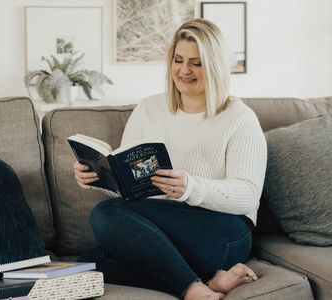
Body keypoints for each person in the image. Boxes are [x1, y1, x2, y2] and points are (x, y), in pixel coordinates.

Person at [74, 18, 267, 300]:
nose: (184, 71)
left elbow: (248, 196)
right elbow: (131, 188)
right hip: (163, 229)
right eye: (178, 60)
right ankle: (209, 281)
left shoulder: (240, 119)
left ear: (214, 66)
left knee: (105, 213)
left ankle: (190, 288)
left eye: (196, 63)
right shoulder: (149, 108)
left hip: (222, 232)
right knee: (87, 265)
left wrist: (190, 187)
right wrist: (99, 177)